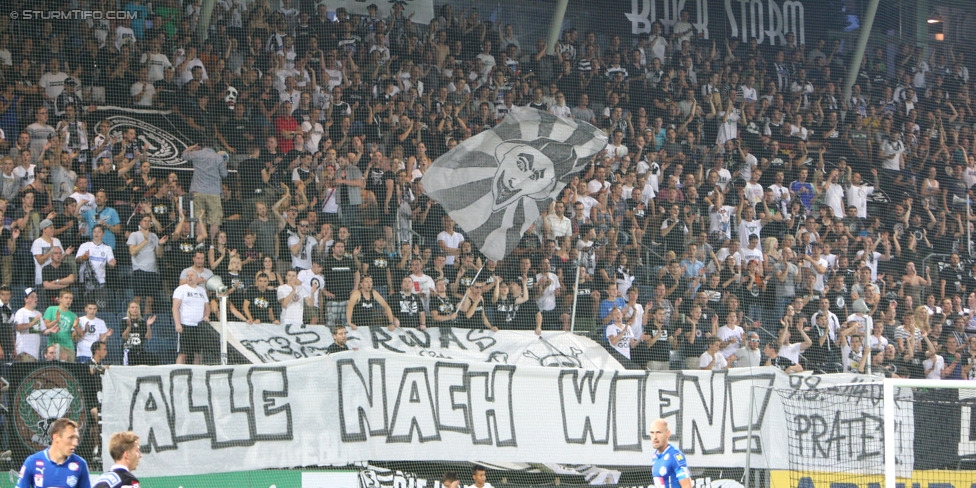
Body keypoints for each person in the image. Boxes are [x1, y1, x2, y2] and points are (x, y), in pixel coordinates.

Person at [15, 418, 91, 488]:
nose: (75, 443)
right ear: (56, 438)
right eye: (71, 438)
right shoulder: (32, 462)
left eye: (76, 438)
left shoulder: (80, 464)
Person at [184, 142, 229, 239]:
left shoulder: (196, 154)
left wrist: (191, 148)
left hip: (198, 192)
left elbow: (184, 155)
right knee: (215, 221)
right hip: (214, 193)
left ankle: (200, 244)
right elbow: (224, 174)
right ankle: (212, 244)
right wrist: (225, 164)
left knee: (200, 219)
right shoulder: (218, 157)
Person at [173, 269, 211, 364]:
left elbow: (207, 306)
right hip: (185, 325)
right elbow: (175, 308)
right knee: (183, 353)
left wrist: (206, 316)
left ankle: (196, 376)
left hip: (199, 326)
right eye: (188, 275)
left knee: (197, 353)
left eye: (192, 275)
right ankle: (177, 374)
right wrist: (178, 324)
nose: (189, 277)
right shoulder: (181, 289)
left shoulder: (202, 291)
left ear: (197, 278)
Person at [649, 418, 692, 488]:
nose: (654, 437)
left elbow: (687, 486)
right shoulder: (655, 456)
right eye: (652, 433)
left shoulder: (675, 455)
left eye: (658, 432)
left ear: (668, 434)